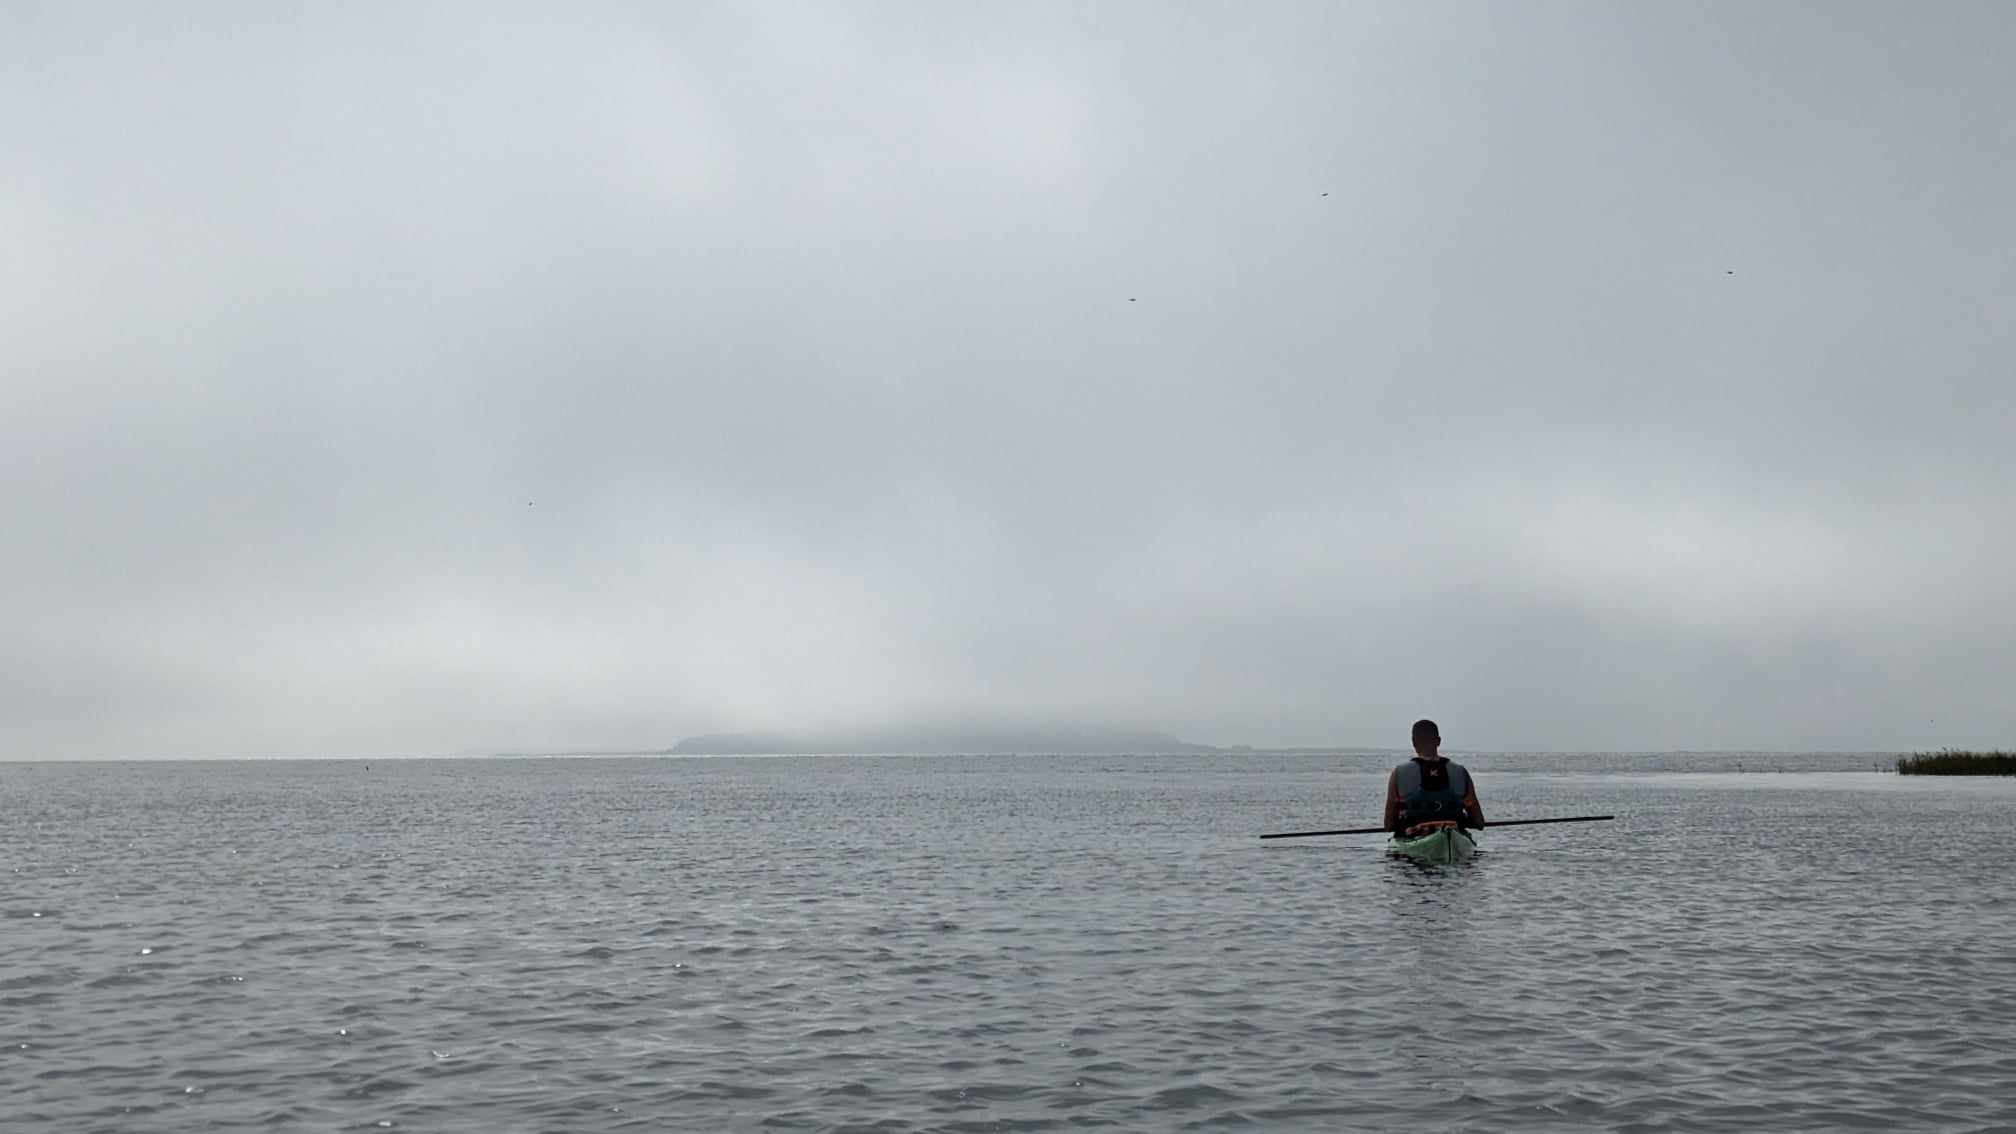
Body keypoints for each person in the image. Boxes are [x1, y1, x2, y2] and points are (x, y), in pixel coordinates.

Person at [1384, 719, 1485, 835]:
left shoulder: (1399, 773)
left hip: (1415, 836)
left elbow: (1389, 825)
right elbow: (1479, 822)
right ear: (1438, 741)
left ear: (1413, 742)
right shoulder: (1460, 772)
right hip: (1453, 834)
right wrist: (1461, 821)